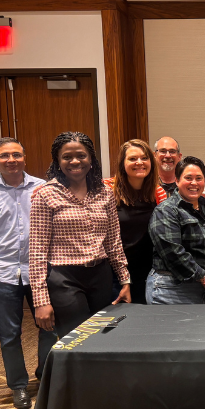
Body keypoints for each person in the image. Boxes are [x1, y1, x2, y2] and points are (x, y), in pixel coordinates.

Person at [0, 137, 56, 409]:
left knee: (50, 327)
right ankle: (18, 386)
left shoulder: (42, 188)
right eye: (4, 156)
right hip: (4, 272)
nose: (11, 160)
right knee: (9, 334)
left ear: (25, 158)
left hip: (41, 270)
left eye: (16, 154)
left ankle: (46, 377)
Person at [29, 132, 131, 339]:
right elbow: (37, 252)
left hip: (100, 276)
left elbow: (113, 241)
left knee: (103, 336)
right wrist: (41, 301)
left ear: (91, 158)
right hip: (65, 278)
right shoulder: (46, 194)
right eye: (67, 157)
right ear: (58, 161)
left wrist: (125, 280)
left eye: (81, 155)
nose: (75, 161)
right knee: (76, 339)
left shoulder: (104, 193)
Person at [146, 156, 205, 304]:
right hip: (172, 290)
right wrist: (204, 277)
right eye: (188, 178)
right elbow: (173, 252)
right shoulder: (166, 211)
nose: (194, 183)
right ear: (177, 181)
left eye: (199, 178)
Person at [103, 139, 168, 305]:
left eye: (144, 158)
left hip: (146, 272)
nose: (139, 162)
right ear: (122, 163)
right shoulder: (106, 189)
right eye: (132, 159)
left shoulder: (157, 192)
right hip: (113, 273)